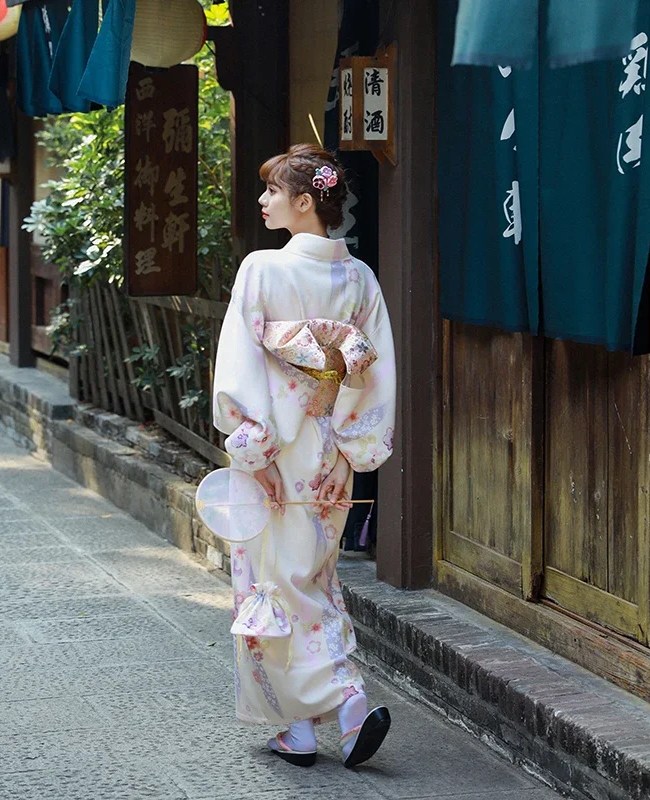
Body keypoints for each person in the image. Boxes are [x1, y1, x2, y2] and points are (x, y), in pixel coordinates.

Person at [212, 143, 396, 768]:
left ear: (304, 201)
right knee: (312, 574)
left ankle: (333, 706)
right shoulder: (358, 279)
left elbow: (241, 360)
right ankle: (313, 718)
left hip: (274, 447)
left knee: (271, 580)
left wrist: (250, 439)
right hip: (328, 449)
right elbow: (371, 374)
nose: (262, 201)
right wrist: (355, 438)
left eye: (271, 192)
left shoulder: (263, 270)